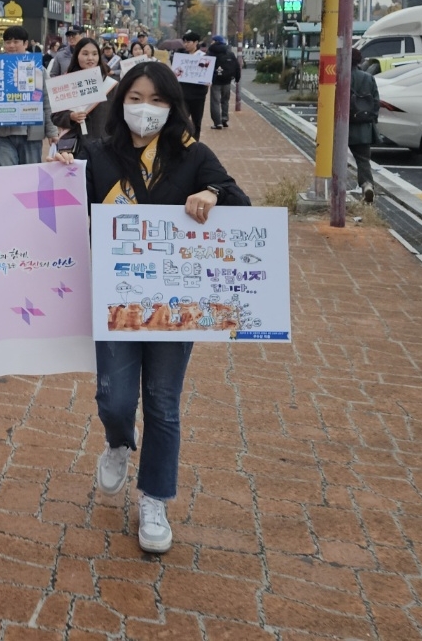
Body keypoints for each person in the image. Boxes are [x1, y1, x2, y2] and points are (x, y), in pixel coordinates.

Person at [53, 61, 250, 554]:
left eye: (158, 101)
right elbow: (61, 206)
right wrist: (58, 166)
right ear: (120, 103)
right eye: (136, 98)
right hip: (115, 301)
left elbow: (240, 203)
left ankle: (155, 499)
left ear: (173, 107)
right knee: (115, 400)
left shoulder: (193, 155)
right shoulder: (98, 154)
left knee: (162, 404)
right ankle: (119, 442)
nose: (147, 109)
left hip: (172, 306)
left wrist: (212, 192)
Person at [0, 25, 57, 166]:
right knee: (6, 176)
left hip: (31, 133)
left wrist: (52, 131)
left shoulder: (38, 68)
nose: (11, 46)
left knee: (30, 176)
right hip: (3, 133)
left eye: (16, 42)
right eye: (8, 42)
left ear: (25, 44)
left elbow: (47, 101)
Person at [52, 37, 113, 154]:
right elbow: (55, 116)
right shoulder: (65, 82)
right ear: (77, 56)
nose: (90, 58)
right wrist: (71, 116)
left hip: (104, 145)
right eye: (85, 54)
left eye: (95, 54)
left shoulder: (110, 84)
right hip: (76, 146)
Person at [348, 47, 380, 203]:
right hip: (363, 127)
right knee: (363, 160)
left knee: (335, 160)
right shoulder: (368, 78)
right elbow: (376, 103)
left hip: (343, 127)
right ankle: (367, 185)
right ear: (359, 60)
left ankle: (336, 188)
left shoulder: (340, 76)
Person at [177, 31, 209, 137]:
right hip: (184, 94)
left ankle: (195, 144)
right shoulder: (182, 57)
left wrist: (208, 81)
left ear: (196, 42)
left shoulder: (204, 57)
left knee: (197, 122)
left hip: (198, 95)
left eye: (188, 42)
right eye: (184, 42)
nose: (186, 44)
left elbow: (208, 74)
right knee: (182, 120)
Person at [207, 35, 241, 129]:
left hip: (216, 81)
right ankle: (224, 118)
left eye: (212, 41)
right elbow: (236, 66)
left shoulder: (211, 53)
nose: (211, 42)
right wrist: (237, 78)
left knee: (215, 102)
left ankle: (217, 122)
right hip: (227, 80)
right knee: (225, 100)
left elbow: (205, 66)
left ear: (215, 41)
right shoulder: (229, 52)